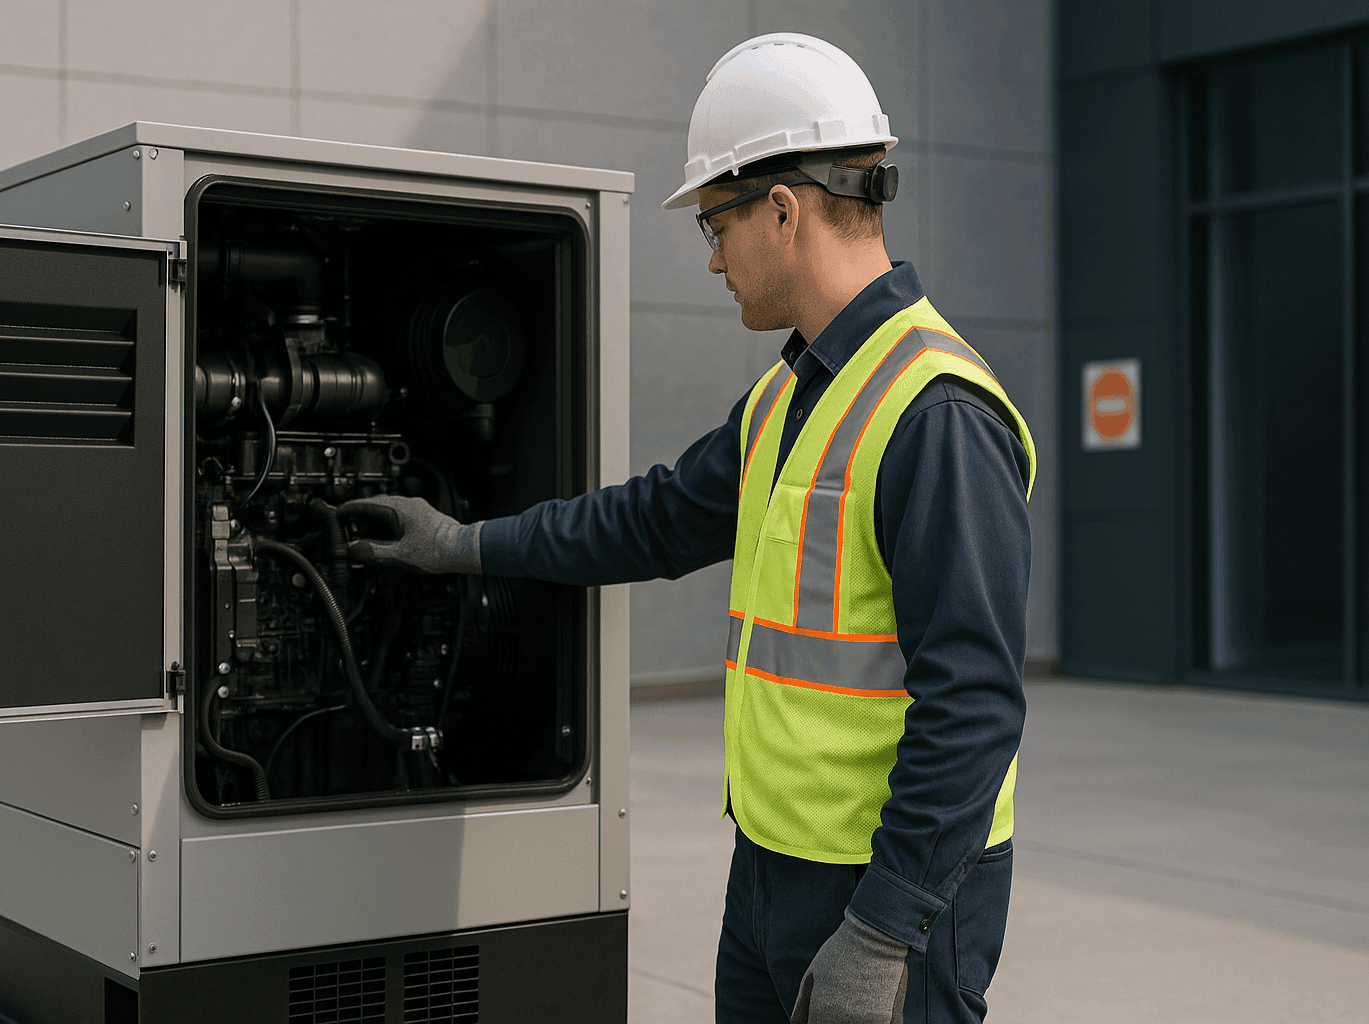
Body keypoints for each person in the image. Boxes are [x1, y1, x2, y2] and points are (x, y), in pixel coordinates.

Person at [342, 32, 1034, 1024]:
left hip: (886, 896)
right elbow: (650, 520)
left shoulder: (937, 415)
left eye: (716, 223)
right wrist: (463, 543)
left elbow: (972, 706)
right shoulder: (790, 396)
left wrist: (886, 926)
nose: (712, 257)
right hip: (771, 869)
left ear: (784, 211)